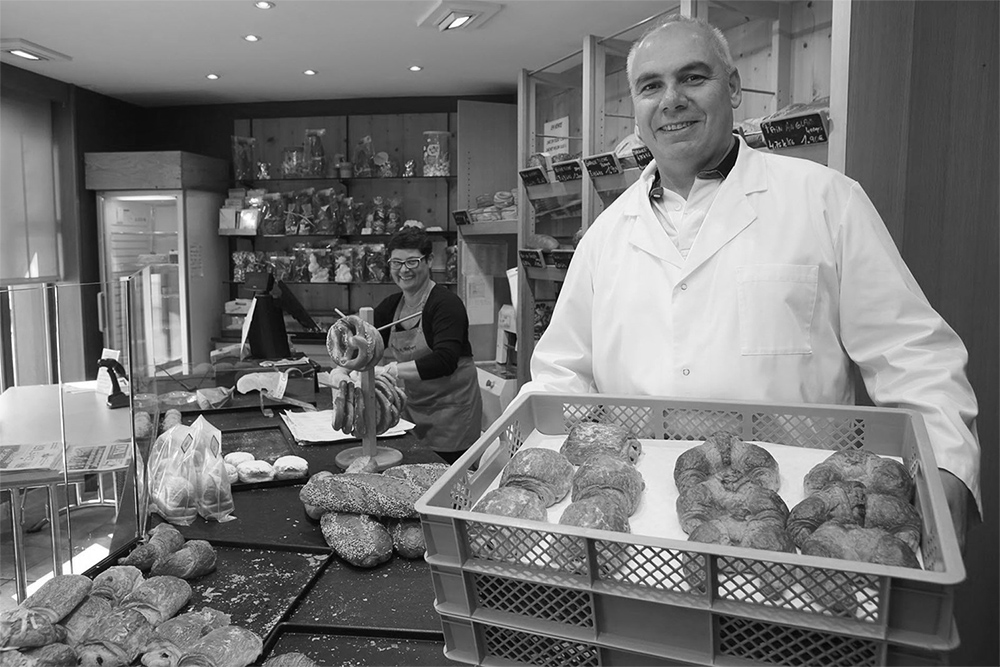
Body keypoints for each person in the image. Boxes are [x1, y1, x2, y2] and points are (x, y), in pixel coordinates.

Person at [521, 15, 980, 547]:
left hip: (796, 525)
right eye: (651, 86)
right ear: (637, 108)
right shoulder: (604, 235)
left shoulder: (826, 201)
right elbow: (560, 374)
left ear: (734, 88)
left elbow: (911, 353)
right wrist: (524, 462)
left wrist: (947, 467)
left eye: (693, 78)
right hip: (644, 524)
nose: (671, 100)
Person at [375, 226, 483, 464]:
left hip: (452, 414)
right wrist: (344, 368)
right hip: (413, 411)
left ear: (429, 260)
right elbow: (367, 347)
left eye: (412, 262)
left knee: (450, 487)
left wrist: (390, 370)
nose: (404, 270)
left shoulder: (446, 304)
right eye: (396, 262)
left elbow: (445, 360)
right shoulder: (390, 307)